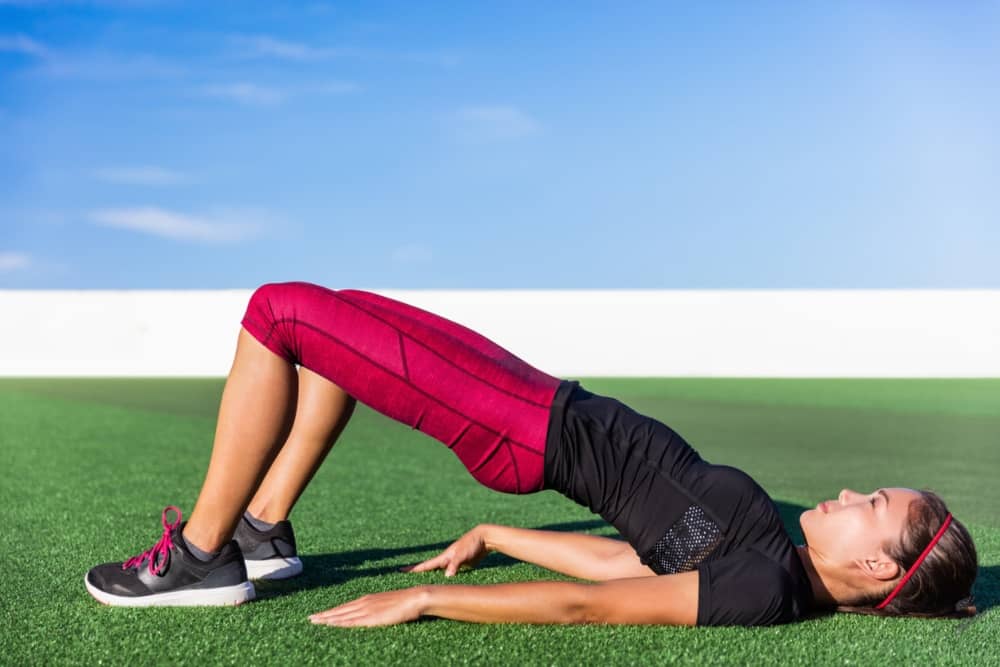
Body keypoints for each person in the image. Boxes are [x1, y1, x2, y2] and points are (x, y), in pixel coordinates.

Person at [84, 281, 979, 626]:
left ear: (872, 559)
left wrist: (431, 596)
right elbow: (634, 556)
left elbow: (596, 605)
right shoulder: (771, 559)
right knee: (339, 313)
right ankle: (266, 530)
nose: (855, 489)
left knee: (279, 312)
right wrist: (497, 532)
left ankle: (202, 557)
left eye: (875, 503)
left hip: (515, 424)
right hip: (542, 401)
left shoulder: (768, 589)